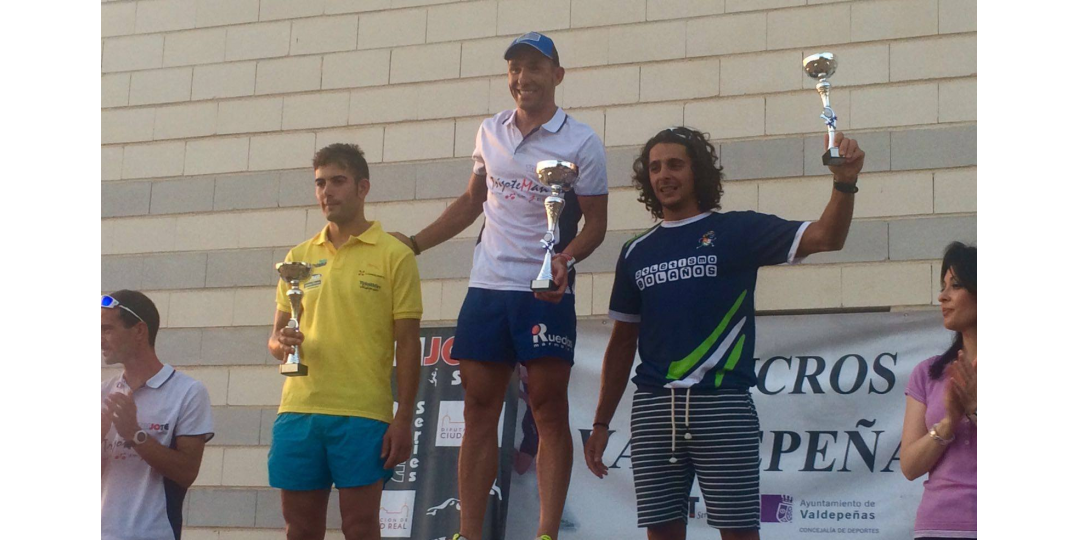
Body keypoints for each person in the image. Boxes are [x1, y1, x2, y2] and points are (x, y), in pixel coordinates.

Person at [583, 126, 865, 540]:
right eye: (655, 167)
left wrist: (845, 182)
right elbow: (623, 342)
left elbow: (827, 237)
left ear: (697, 172)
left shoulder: (736, 231)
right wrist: (601, 422)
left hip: (722, 404)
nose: (664, 175)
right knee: (661, 534)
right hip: (654, 409)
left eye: (675, 165)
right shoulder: (636, 251)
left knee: (738, 533)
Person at [392, 31, 608, 540]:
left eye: (534, 67)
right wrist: (415, 244)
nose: (523, 77)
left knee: (548, 409)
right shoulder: (490, 131)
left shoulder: (582, 141)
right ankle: (469, 533)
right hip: (487, 288)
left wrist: (565, 259)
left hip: (544, 291)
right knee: (478, 410)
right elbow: (473, 202)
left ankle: (546, 533)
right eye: (515, 68)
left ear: (557, 75)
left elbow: (596, 224)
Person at [267, 143, 423, 540]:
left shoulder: (395, 255)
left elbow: (408, 344)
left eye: (338, 181)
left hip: (362, 413)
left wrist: (404, 418)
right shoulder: (298, 256)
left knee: (360, 527)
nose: (327, 192)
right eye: (320, 183)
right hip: (299, 409)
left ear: (362, 187)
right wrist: (282, 343)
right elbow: (275, 341)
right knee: (299, 530)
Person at [101, 290, 214, 540]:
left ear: (139, 331)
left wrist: (134, 434)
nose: (100, 340)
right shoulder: (101, 393)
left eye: (107, 330)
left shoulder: (187, 392)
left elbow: (186, 472)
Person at [900, 242, 977, 539]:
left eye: (955, 285)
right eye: (942, 286)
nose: (942, 296)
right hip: (938, 524)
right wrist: (948, 422)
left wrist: (975, 410)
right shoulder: (928, 373)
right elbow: (909, 467)